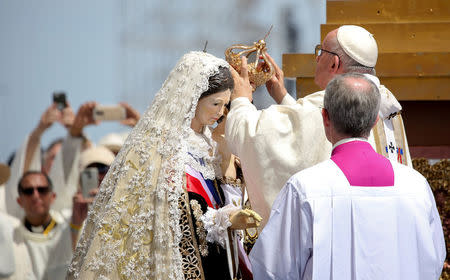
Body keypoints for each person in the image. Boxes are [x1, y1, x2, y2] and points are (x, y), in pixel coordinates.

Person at [68, 51, 261, 280]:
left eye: (225, 104)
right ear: (193, 98)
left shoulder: (213, 147)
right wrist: (221, 220)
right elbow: (162, 216)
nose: (220, 112)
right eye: (215, 103)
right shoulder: (160, 150)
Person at [250, 73, 446, 280]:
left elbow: (273, 270)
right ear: (375, 121)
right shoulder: (415, 185)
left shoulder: (305, 188)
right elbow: (433, 261)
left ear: (325, 117)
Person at [226, 25, 412, 225]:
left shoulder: (341, 100)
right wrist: (283, 97)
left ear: (334, 63)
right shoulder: (384, 100)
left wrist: (241, 99)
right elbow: (311, 131)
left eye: (321, 51)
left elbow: (251, 135)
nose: (316, 58)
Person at [13, 171, 73, 279]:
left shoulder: (70, 228)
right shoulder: (12, 238)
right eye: (28, 191)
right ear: (19, 201)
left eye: (42, 190)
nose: (36, 196)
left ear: (53, 196)